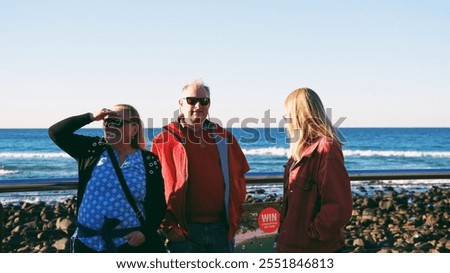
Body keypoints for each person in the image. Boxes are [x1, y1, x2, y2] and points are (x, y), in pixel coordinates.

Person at [48, 104, 166, 253]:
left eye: (116, 122)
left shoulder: (148, 161)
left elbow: (158, 205)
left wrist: (145, 233)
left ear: (134, 129)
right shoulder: (94, 148)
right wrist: (91, 117)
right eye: (106, 122)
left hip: (128, 246)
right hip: (87, 244)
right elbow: (56, 133)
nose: (109, 126)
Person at [151, 79, 249, 253]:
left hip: (221, 230)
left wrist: (234, 217)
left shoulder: (225, 138)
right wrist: (167, 225)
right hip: (184, 232)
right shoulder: (163, 140)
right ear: (180, 104)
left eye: (204, 101)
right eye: (192, 100)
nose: (198, 106)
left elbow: (239, 180)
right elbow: (152, 189)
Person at [276, 87, 353, 253]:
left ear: (299, 115)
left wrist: (314, 233)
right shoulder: (301, 150)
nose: (286, 121)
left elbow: (339, 205)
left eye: (287, 115)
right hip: (291, 245)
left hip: (310, 248)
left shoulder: (326, 148)